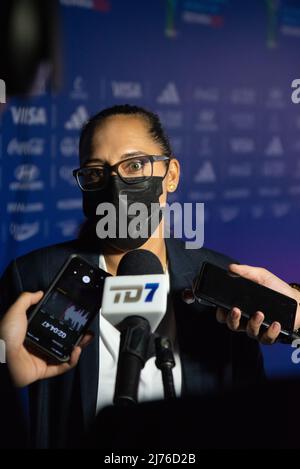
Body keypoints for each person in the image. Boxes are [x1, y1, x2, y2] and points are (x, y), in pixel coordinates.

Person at [0, 104, 274, 448]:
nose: (116, 186)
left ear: (171, 175)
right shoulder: (34, 277)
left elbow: (251, 422)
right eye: (96, 172)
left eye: (134, 165)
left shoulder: (222, 284)